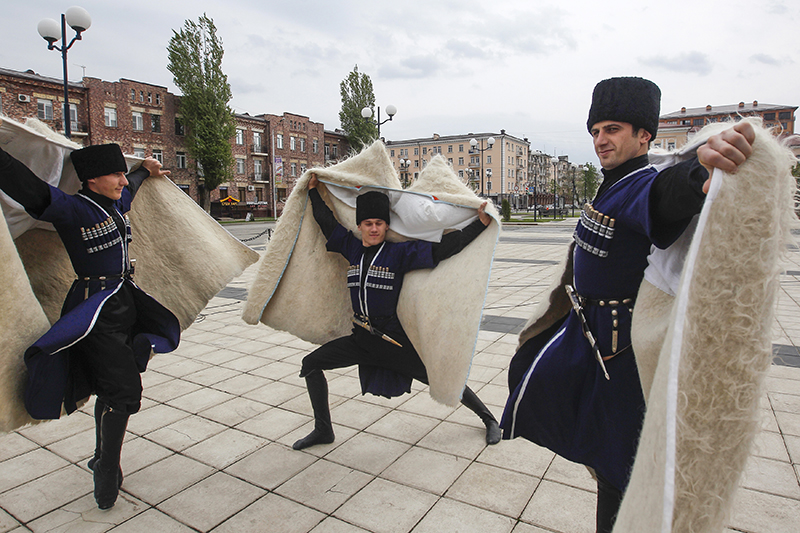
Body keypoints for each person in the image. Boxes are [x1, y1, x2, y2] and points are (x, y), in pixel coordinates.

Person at [499, 77, 755, 533]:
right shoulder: (611, 184)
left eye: (612, 129)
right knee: (563, 417)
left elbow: (668, 192)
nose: (601, 140)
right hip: (589, 342)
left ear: (643, 136)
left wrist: (701, 172)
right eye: (595, 130)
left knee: (621, 473)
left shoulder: (640, 183)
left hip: (621, 361)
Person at [0, 137, 180, 510]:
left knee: (112, 388)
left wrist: (144, 170)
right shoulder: (71, 209)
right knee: (126, 395)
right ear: (92, 179)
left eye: (121, 173)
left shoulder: (115, 204)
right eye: (115, 175)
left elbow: (131, 190)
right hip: (95, 312)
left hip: (125, 304)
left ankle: (101, 456)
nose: (121, 181)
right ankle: (107, 469)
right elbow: (24, 184)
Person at [293, 174, 501, 450]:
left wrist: (479, 225)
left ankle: (490, 420)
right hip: (361, 340)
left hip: (393, 342)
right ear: (361, 226)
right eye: (369, 223)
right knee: (310, 364)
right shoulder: (352, 248)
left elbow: (443, 249)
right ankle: (323, 430)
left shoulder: (399, 254)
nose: (374, 228)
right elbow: (327, 223)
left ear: (386, 226)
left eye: (379, 223)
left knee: (443, 380)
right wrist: (313, 193)